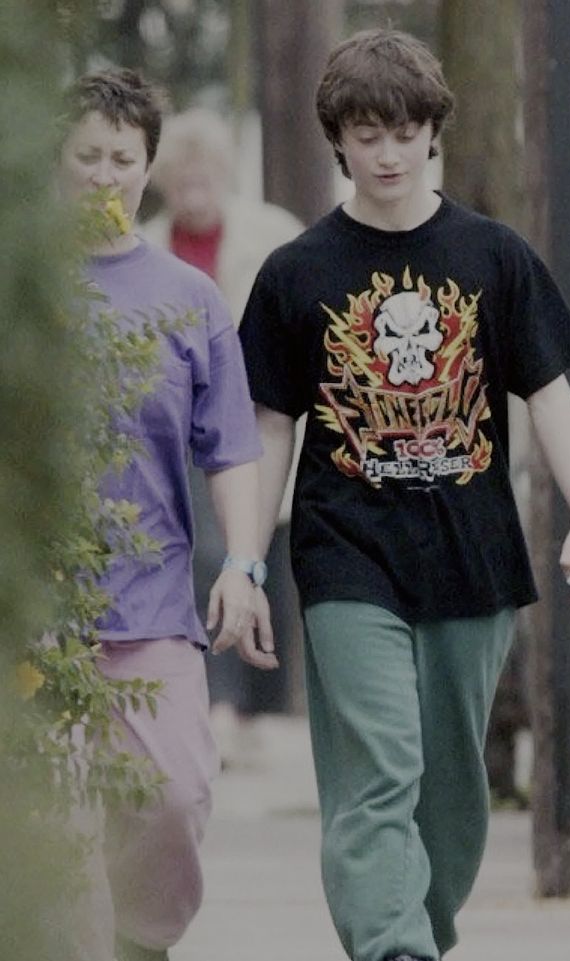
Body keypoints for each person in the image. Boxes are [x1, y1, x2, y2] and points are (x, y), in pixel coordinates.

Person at [239, 28, 570, 961]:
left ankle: (416, 935)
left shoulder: (493, 255)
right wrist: (246, 559)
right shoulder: (297, 273)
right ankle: (393, 948)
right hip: (344, 551)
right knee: (378, 771)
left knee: (451, 792)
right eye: (367, 134)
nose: (388, 152)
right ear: (338, 141)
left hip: (470, 555)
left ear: (433, 131)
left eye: (403, 131)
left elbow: (549, 392)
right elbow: (272, 423)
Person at [57, 69, 276, 961]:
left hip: (151, 605)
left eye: (123, 157)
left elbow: (230, 448)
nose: (104, 174)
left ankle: (143, 941)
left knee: (175, 795)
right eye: (87, 156)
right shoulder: (23, 288)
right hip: (40, 616)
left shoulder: (188, 300)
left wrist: (243, 564)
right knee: (60, 827)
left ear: (146, 168)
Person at [142, 108, 304, 765]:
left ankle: (253, 705)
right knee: (208, 558)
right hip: (178, 432)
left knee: (259, 556)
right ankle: (220, 706)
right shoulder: (145, 242)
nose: (194, 188)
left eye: (205, 174)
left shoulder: (271, 233)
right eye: (183, 176)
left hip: (256, 421)